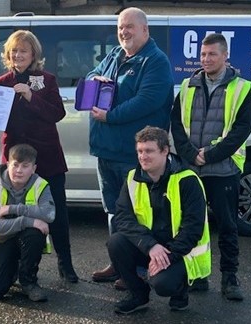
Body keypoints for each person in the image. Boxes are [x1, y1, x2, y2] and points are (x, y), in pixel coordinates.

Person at [86, 7, 174, 286]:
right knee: (114, 210)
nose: (124, 32)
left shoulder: (155, 61)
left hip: (133, 155)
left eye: (130, 27)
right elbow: (92, 74)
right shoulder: (115, 54)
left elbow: (147, 100)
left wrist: (110, 116)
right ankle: (119, 263)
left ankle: (136, 269)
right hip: (106, 151)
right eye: (120, 27)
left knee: (137, 213)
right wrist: (93, 81)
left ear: (145, 30)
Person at [171, 33, 251, 301]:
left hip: (223, 170)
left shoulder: (241, 88)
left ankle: (230, 279)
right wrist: (188, 154)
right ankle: (198, 275)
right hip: (192, 169)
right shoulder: (187, 85)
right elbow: (176, 124)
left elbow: (241, 130)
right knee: (194, 223)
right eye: (203, 55)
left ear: (225, 56)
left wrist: (209, 155)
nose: (206, 59)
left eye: (212, 54)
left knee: (228, 225)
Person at [0, 30, 78, 283]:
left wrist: (30, 97)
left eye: (23, 51)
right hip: (16, 160)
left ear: (33, 55)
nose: (18, 55)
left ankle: (66, 265)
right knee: (16, 215)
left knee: (58, 214)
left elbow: (57, 114)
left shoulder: (46, 80)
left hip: (48, 157)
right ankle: (22, 269)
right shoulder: (1, 82)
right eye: (14, 51)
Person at [108, 126, 211, 314]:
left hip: (181, 252)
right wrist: (150, 246)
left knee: (163, 284)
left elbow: (193, 228)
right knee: (115, 242)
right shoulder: (133, 178)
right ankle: (138, 295)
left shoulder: (188, 180)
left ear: (165, 151)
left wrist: (169, 255)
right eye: (139, 151)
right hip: (151, 245)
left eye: (149, 151)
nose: (142, 156)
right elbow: (122, 218)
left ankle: (180, 292)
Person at [0, 144, 55, 301]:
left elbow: (49, 215)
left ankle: (28, 282)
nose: (19, 170)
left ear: (33, 169)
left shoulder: (41, 185)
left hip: (26, 240)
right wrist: (29, 221)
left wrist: (14, 209)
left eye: (25, 166)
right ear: (8, 165)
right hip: (1, 241)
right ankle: (12, 270)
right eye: (15, 165)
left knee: (35, 233)